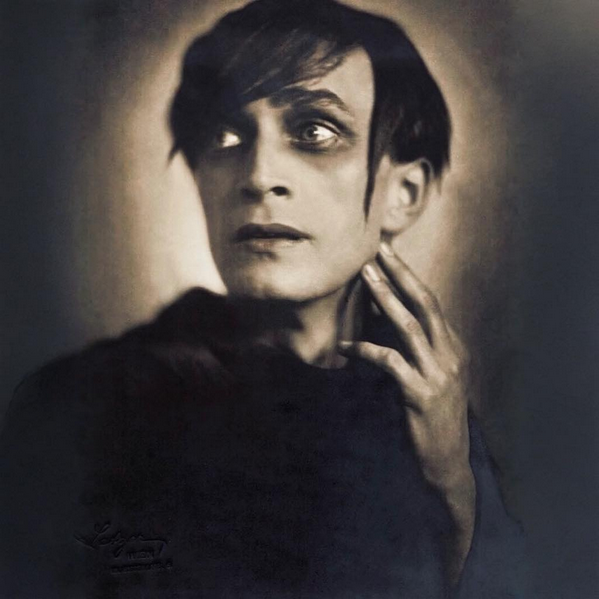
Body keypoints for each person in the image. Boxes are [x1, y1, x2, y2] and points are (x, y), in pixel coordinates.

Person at [0, 0, 522, 597]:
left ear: (403, 193)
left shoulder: (433, 419)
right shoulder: (78, 410)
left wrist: (452, 484)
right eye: (226, 135)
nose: (257, 174)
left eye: (315, 131)